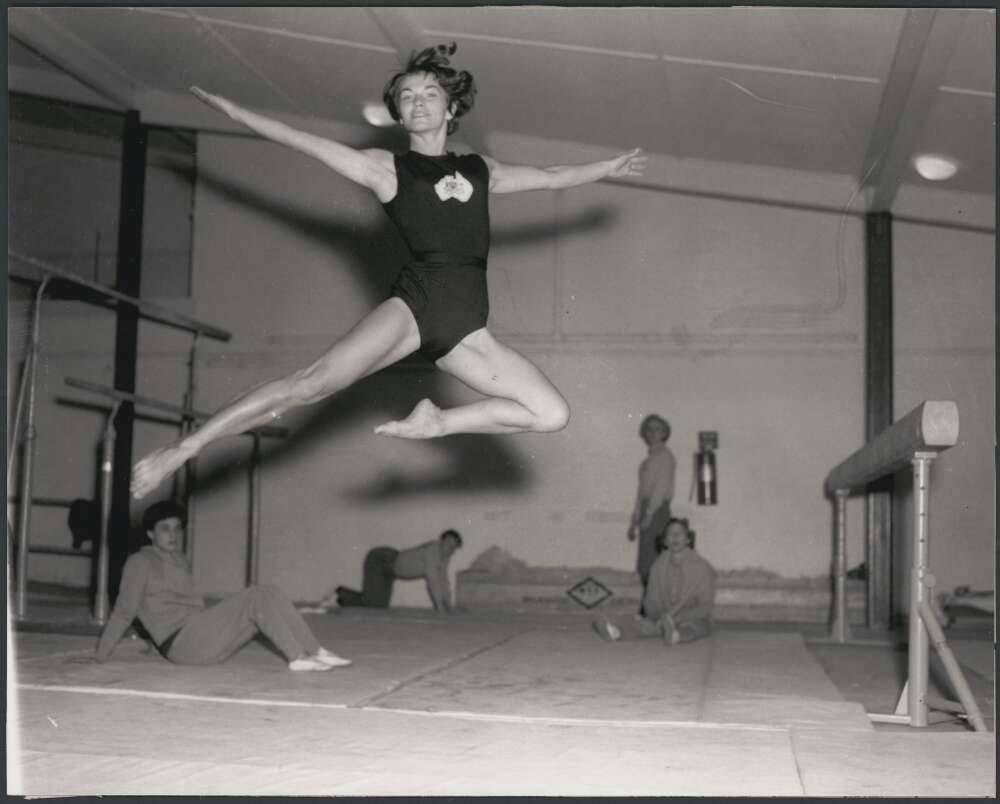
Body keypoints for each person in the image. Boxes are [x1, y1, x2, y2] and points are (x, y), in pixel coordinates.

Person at [130, 43, 647, 500]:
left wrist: (606, 168)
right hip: (417, 304)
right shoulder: (385, 169)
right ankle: (182, 451)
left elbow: (552, 177)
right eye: (407, 97)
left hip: (468, 328)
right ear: (399, 114)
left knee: (551, 414)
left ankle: (438, 422)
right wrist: (234, 112)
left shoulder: (479, 170)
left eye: (428, 94)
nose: (417, 102)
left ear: (451, 107)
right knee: (308, 386)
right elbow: (298, 141)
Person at [95, 500, 351, 671]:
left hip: (198, 638)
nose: (173, 535)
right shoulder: (139, 561)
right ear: (150, 533)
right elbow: (124, 612)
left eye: (177, 528)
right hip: (183, 644)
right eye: (165, 529)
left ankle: (315, 649)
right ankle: (297, 658)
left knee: (269, 591)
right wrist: (101, 654)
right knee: (256, 596)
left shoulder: (179, 560)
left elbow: (185, 607)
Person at [596, 517, 715, 645]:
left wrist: (678, 618)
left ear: (688, 540)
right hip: (664, 617)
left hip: (691, 616)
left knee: (697, 626)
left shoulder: (702, 567)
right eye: (670, 534)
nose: (675, 537)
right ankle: (616, 632)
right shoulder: (658, 566)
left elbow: (705, 607)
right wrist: (659, 616)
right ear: (665, 542)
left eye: (679, 533)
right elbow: (651, 602)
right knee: (645, 624)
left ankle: (677, 635)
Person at [328, 529, 462, 612]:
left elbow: (444, 581)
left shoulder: (444, 557)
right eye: (448, 544)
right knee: (373, 604)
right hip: (380, 559)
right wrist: (441, 609)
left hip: (390, 568)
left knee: (378, 606)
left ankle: (342, 596)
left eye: (453, 547)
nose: (450, 549)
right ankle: (340, 593)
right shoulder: (433, 551)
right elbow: (433, 581)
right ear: (441, 541)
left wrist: (449, 606)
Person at [628, 413, 676, 606]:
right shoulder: (648, 460)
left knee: (653, 563)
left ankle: (654, 608)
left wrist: (649, 515)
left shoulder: (665, 457)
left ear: (665, 433)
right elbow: (641, 494)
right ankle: (651, 606)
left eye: (657, 429)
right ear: (644, 434)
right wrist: (634, 522)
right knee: (645, 563)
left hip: (658, 511)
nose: (653, 433)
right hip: (648, 510)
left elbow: (661, 489)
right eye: (649, 429)